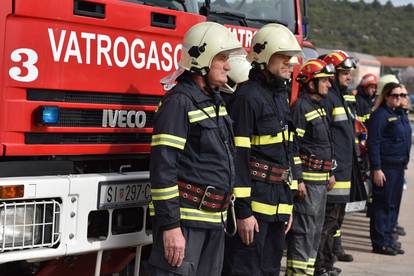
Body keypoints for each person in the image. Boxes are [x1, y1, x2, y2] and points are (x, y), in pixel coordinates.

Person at [148, 21, 243, 276]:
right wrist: (170, 226)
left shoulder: (215, 103)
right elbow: (163, 168)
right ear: (202, 58)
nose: (228, 65)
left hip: (214, 221)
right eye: (222, 58)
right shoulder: (179, 103)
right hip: (186, 225)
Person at [222, 23, 303, 276]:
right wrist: (243, 211)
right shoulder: (247, 97)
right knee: (244, 270)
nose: (289, 63)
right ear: (264, 55)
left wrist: (288, 205)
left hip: (278, 207)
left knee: (269, 271)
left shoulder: (280, 97)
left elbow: (287, 153)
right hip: (254, 209)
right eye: (283, 57)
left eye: (290, 58)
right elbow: (238, 156)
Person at [286, 59, 335, 276]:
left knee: (315, 231)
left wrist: (330, 173)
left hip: (321, 181)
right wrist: (298, 180)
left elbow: (325, 145)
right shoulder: (301, 108)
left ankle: (307, 271)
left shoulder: (320, 108)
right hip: (308, 181)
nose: (329, 85)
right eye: (324, 80)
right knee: (303, 231)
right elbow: (293, 147)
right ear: (311, 83)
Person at [315, 50, 359, 276]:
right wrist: (331, 168)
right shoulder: (330, 98)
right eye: (344, 73)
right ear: (332, 74)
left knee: (334, 225)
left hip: (344, 174)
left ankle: (327, 264)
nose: (348, 77)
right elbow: (327, 138)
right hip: (334, 176)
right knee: (326, 225)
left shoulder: (340, 97)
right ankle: (319, 266)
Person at [368, 82, 411, 255]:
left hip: (398, 166)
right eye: (395, 95)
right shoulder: (380, 115)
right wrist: (376, 168)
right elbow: (374, 142)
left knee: (392, 206)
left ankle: (388, 239)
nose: (399, 98)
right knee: (382, 206)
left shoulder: (398, 114)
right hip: (386, 167)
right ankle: (379, 242)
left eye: (401, 96)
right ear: (386, 96)